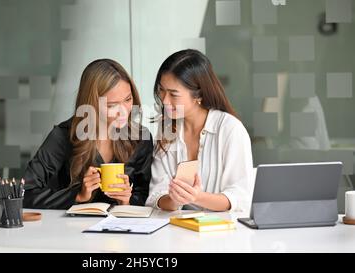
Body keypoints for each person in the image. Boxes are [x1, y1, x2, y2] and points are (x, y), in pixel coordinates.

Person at [23, 59, 153, 209]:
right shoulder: (63, 136)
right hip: (71, 229)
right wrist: (77, 195)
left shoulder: (140, 138)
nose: (123, 110)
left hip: (120, 230)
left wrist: (127, 201)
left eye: (128, 99)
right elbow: (25, 192)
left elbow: (145, 195)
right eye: (112, 105)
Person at [145, 49, 253, 212]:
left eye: (174, 94)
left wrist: (196, 197)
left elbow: (240, 198)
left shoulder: (230, 129)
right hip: (178, 231)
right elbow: (156, 196)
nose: (165, 101)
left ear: (199, 95)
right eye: (161, 90)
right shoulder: (168, 131)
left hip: (224, 233)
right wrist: (174, 200)